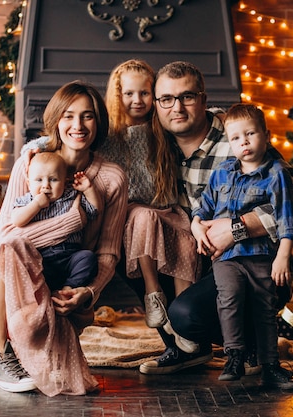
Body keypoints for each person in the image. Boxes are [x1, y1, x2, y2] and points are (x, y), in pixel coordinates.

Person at [139, 61, 293, 388]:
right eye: (166, 99)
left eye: (187, 97)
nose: (176, 107)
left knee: (187, 314)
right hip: (207, 258)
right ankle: (184, 348)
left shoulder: (238, 136)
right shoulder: (159, 145)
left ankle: (253, 347)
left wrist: (236, 228)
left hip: (257, 261)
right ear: (156, 104)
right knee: (135, 231)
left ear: (203, 100)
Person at [0, 81, 128, 396]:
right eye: (68, 116)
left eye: (88, 116)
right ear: (56, 121)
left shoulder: (112, 178)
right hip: (21, 272)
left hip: (71, 274)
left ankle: (36, 345)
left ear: (98, 122)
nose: (78, 126)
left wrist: (89, 291)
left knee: (71, 261)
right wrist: (75, 219)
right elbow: (6, 234)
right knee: (10, 249)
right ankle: (3, 354)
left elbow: (108, 252)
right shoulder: (30, 164)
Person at [191, 103, 293, 387]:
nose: (244, 142)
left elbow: (287, 219)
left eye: (250, 134)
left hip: (262, 255)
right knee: (229, 299)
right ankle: (235, 355)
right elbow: (202, 209)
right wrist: (196, 225)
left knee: (264, 307)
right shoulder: (221, 174)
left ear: (266, 134)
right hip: (226, 257)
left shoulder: (277, 173)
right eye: (236, 138)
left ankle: (270, 367)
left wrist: (283, 257)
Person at [98, 59, 201, 343]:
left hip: (164, 205)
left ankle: (184, 315)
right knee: (144, 216)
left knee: (186, 237)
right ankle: (152, 293)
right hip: (132, 211)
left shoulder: (161, 129)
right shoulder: (109, 134)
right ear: (118, 96)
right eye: (129, 94)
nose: (137, 100)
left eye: (144, 93)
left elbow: (202, 115)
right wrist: (35, 147)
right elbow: (63, 139)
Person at [11, 151, 100, 291]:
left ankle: (69, 287)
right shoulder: (28, 200)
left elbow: (94, 210)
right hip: (41, 258)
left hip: (70, 255)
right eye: (39, 180)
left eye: (53, 179)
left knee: (88, 258)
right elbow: (17, 220)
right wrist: (36, 205)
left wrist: (89, 189)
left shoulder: (71, 196)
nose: (46, 185)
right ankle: (43, 291)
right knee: (26, 267)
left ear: (65, 182)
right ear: (28, 183)